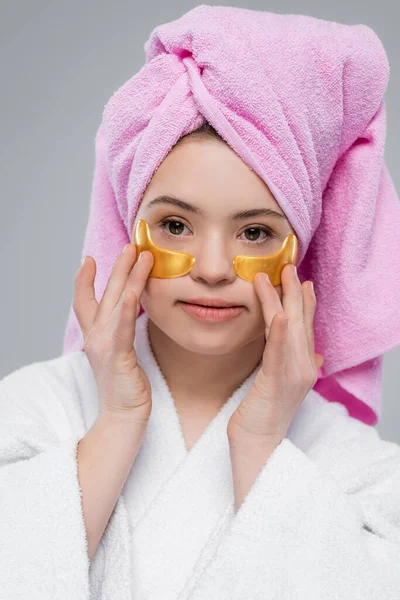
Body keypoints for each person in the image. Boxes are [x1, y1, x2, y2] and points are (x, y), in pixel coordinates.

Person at [2, 6, 400, 599]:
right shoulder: (30, 411)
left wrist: (263, 445)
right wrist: (116, 420)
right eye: (176, 226)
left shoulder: (365, 473)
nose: (213, 270)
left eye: (255, 233)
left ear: (300, 253)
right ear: (130, 232)